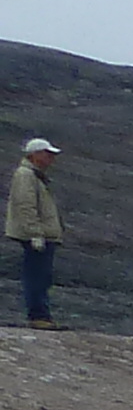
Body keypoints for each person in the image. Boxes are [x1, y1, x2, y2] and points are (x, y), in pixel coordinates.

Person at [5, 140, 54, 327]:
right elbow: (25, 206)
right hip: (37, 236)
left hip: (42, 235)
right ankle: (38, 317)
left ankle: (41, 315)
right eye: (47, 153)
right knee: (37, 276)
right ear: (34, 154)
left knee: (41, 276)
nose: (51, 158)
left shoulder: (33, 175)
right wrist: (35, 233)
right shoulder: (26, 175)